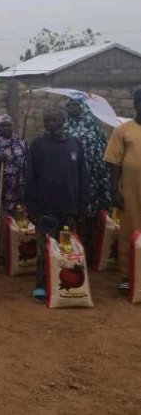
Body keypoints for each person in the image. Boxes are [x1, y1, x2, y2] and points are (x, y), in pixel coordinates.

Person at [26, 108, 89, 303]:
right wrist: (31, 206)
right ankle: (41, 285)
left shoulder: (75, 145)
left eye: (54, 119)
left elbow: (83, 177)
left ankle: (66, 284)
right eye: (47, 120)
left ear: (63, 120)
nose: (51, 123)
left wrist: (83, 204)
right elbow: (30, 177)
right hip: (46, 208)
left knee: (67, 248)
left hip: (70, 207)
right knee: (45, 248)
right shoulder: (38, 145)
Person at [104, 87, 141, 294]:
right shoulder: (123, 130)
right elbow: (113, 162)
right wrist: (113, 190)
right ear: (136, 105)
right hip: (130, 192)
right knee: (129, 233)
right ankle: (127, 276)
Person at [64, 98, 111, 249]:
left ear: (83, 107)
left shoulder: (95, 129)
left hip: (93, 177)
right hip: (71, 177)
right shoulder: (65, 127)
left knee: (91, 212)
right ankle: (73, 246)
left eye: (75, 105)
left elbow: (103, 152)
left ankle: (91, 247)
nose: (71, 107)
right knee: (72, 212)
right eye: (69, 105)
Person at [0, 114, 27, 215]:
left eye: (9, 125)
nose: (7, 128)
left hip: (16, 187)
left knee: (15, 216)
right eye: (3, 125)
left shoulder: (20, 142)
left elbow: (25, 161)